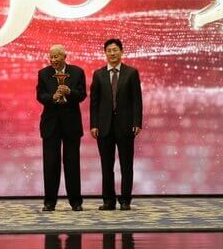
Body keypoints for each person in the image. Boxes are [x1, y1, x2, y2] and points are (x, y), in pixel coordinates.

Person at [89, 38, 143, 211]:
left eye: (115, 50)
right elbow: (94, 103)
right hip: (104, 127)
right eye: (109, 51)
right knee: (107, 166)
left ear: (121, 51)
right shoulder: (98, 74)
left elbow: (137, 100)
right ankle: (108, 201)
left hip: (125, 126)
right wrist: (94, 124)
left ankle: (125, 200)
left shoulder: (131, 73)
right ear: (105, 53)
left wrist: (137, 122)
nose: (112, 53)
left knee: (126, 165)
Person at [36, 44, 87, 212]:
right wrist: (53, 97)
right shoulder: (43, 73)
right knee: (50, 164)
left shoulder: (77, 72)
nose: (53, 60)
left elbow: (82, 94)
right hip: (50, 125)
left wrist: (69, 92)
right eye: (51, 57)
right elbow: (40, 96)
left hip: (71, 124)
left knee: (72, 163)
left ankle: (76, 202)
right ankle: (49, 202)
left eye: (56, 56)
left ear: (65, 57)